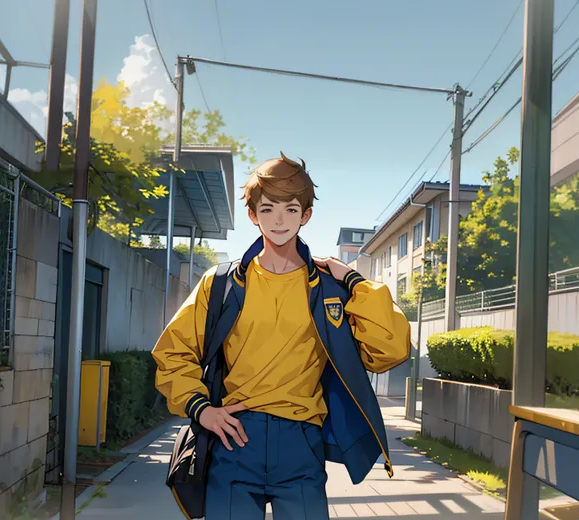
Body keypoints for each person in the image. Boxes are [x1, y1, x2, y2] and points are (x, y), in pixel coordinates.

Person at [152, 152, 411, 519]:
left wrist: (353, 280)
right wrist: (202, 410)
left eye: (290, 209)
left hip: (301, 443)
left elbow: (391, 349)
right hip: (235, 437)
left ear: (305, 215)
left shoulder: (328, 288)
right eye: (268, 208)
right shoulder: (222, 283)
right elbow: (172, 352)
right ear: (253, 214)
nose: (279, 220)